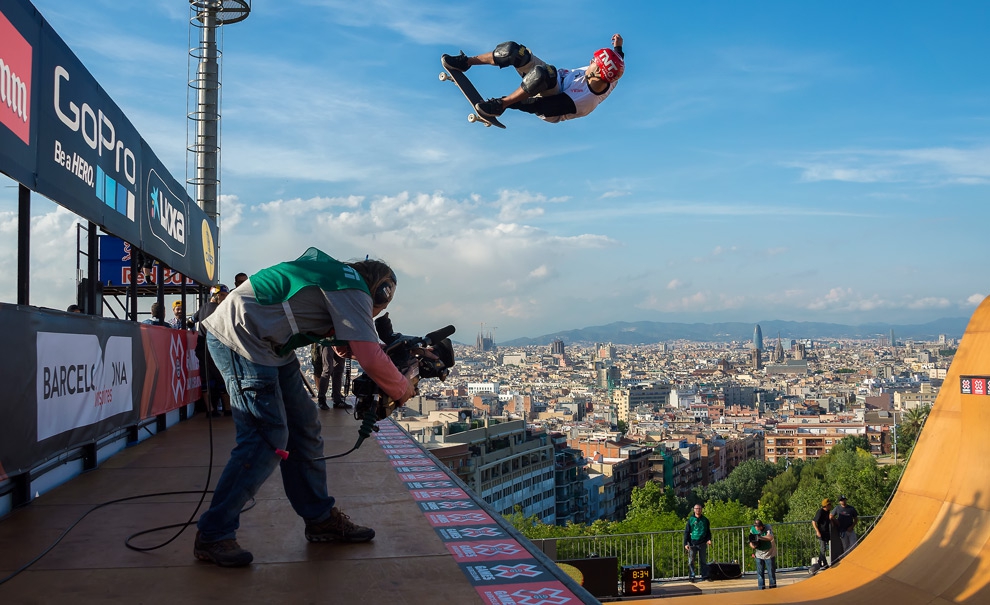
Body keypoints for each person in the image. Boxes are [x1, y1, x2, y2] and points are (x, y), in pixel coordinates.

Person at [194, 248, 416, 567]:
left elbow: (341, 346)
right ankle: (214, 533)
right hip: (242, 338)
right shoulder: (352, 288)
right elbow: (369, 357)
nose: (375, 314)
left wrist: (362, 347)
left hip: (269, 343)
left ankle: (320, 518)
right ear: (381, 292)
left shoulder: (338, 279)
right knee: (265, 438)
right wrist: (402, 386)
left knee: (304, 428)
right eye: (379, 308)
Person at [442, 34, 625, 123]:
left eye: (594, 62)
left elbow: (540, 107)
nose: (590, 61)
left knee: (544, 73)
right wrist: (618, 47)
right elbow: (619, 61)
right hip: (557, 82)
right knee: (514, 51)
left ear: (599, 72)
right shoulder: (611, 77)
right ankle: (466, 62)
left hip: (552, 107)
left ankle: (499, 107)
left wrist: (509, 102)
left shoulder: (584, 101)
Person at [189, 285, 231, 416]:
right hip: (217, 348)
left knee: (207, 380)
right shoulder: (221, 309)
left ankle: (210, 410)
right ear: (216, 295)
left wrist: (193, 331)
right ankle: (227, 408)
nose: (225, 298)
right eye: (223, 295)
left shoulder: (202, 308)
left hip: (202, 349)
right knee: (222, 380)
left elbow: (190, 321)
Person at [683, 503, 712, 582]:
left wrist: (709, 539)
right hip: (692, 543)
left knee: (703, 561)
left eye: (699, 508)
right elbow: (686, 532)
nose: (698, 510)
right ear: (694, 510)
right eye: (696, 509)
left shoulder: (705, 520)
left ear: (701, 510)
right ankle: (692, 576)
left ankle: (704, 576)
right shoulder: (691, 520)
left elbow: (708, 531)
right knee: (691, 561)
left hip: (702, 543)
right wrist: (685, 543)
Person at [749, 519, 777, 589]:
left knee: (771, 573)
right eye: (755, 526)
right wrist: (753, 545)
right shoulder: (752, 529)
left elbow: (770, 537)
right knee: (760, 574)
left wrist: (759, 537)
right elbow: (751, 541)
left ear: (761, 526)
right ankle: (761, 589)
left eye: (758, 527)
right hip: (759, 554)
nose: (756, 528)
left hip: (769, 553)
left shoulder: (767, 527)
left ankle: (773, 589)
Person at [812, 498, 833, 571]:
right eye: (829, 504)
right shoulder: (820, 512)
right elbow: (814, 522)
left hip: (827, 533)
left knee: (824, 549)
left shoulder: (828, 512)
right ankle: (825, 564)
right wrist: (817, 531)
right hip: (821, 533)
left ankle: (819, 563)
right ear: (826, 505)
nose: (831, 506)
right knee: (823, 549)